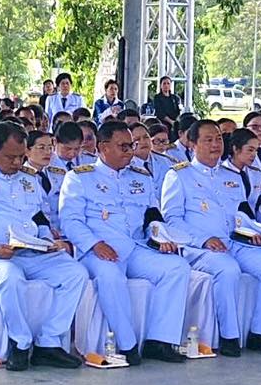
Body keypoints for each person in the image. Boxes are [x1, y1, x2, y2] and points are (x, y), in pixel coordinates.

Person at [0, 120, 89, 370]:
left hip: (31, 251)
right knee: (10, 276)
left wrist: (47, 240)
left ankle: (49, 342)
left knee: (76, 273)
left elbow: (37, 216)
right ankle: (20, 342)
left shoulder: (29, 178)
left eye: (21, 156)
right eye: (10, 157)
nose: (17, 163)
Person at [67, 120, 195, 364]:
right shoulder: (80, 178)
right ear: (103, 147)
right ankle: (128, 345)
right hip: (98, 249)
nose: (129, 151)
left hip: (134, 247)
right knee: (110, 276)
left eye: (131, 146)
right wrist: (95, 244)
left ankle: (159, 340)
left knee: (177, 268)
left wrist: (160, 237)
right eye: (123, 146)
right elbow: (70, 221)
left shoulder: (141, 176)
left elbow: (152, 215)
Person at [163, 118, 261, 355]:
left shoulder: (231, 175)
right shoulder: (179, 175)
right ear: (192, 145)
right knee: (228, 269)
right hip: (198, 247)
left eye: (218, 139)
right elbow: (172, 220)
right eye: (208, 140)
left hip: (232, 242)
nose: (215, 145)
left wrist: (257, 235)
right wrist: (203, 240)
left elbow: (240, 216)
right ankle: (229, 335)